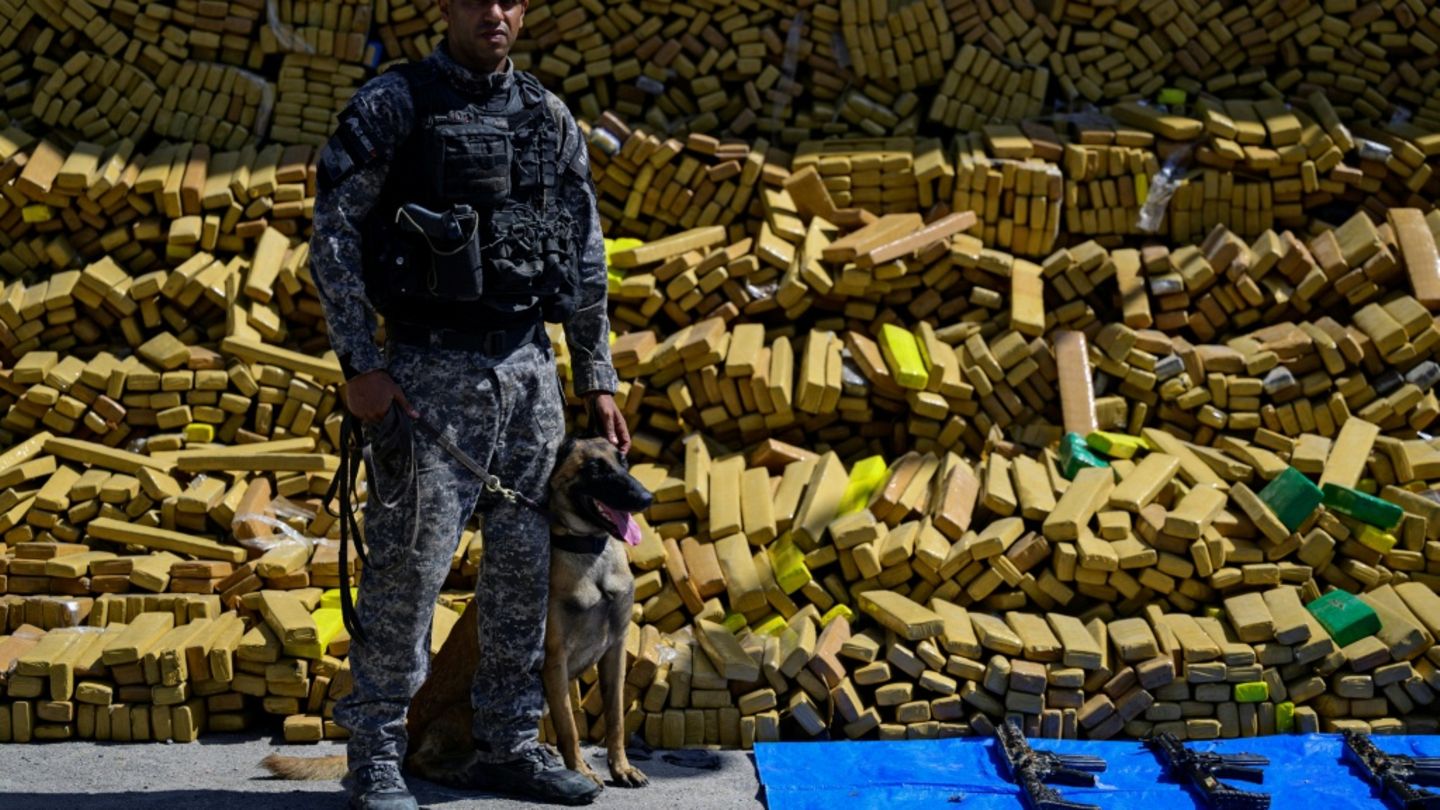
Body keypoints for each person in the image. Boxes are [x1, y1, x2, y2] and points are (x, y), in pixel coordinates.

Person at [308, 0, 631, 807]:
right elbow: (335, 234)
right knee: (407, 575)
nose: (494, 12)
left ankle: (509, 745)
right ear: (446, 7)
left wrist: (596, 373)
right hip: (427, 374)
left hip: (529, 374)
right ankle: (376, 754)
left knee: (523, 576)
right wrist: (360, 363)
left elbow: (584, 247)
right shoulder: (396, 105)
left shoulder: (548, 118)